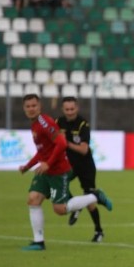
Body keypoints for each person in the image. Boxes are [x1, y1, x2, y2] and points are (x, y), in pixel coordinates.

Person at [18, 94, 112, 251]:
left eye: (34, 106)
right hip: (48, 168)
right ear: (24, 108)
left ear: (40, 106)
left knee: (59, 209)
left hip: (61, 169)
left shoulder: (45, 123)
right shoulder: (38, 123)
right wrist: (28, 166)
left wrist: (48, 163)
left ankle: (95, 197)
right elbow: (43, 150)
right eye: (28, 106)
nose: (31, 109)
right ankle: (38, 242)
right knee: (33, 199)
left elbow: (61, 143)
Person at [57, 97, 106, 243]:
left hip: (85, 166)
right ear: (63, 110)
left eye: (72, 109)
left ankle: (99, 231)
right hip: (69, 164)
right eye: (67, 109)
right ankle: (75, 206)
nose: (70, 112)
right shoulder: (58, 122)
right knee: (59, 182)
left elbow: (84, 150)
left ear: (77, 108)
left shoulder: (83, 124)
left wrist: (67, 143)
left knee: (90, 200)